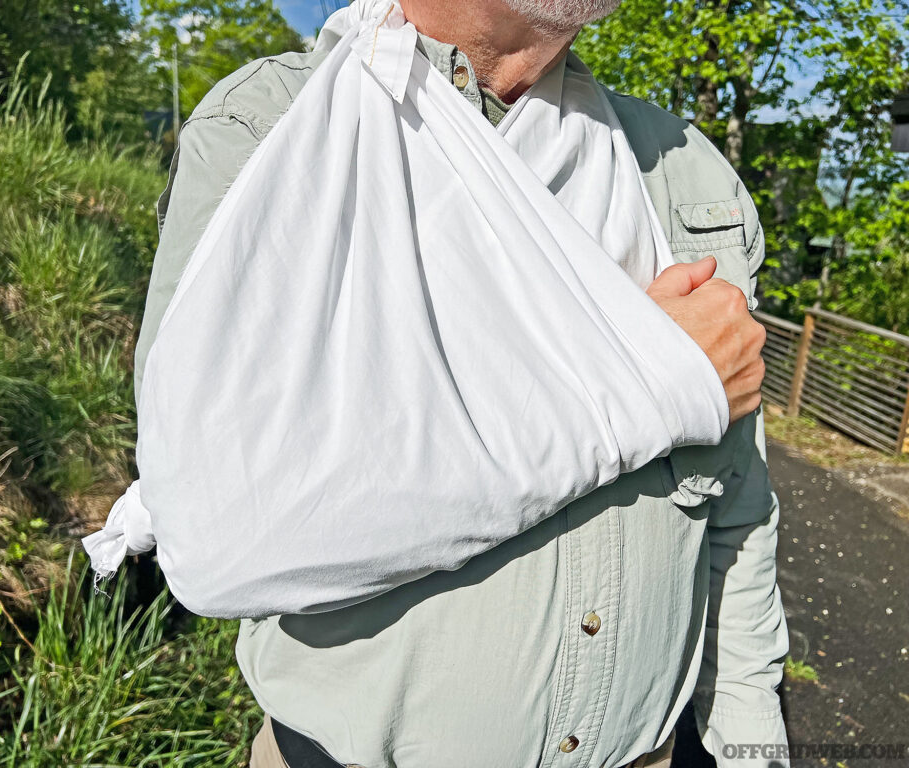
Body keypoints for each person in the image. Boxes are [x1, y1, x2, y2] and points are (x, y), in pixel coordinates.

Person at [134, 0, 788, 766]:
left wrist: (749, 742)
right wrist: (646, 378)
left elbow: (738, 511)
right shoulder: (275, 129)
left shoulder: (685, 176)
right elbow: (223, 516)